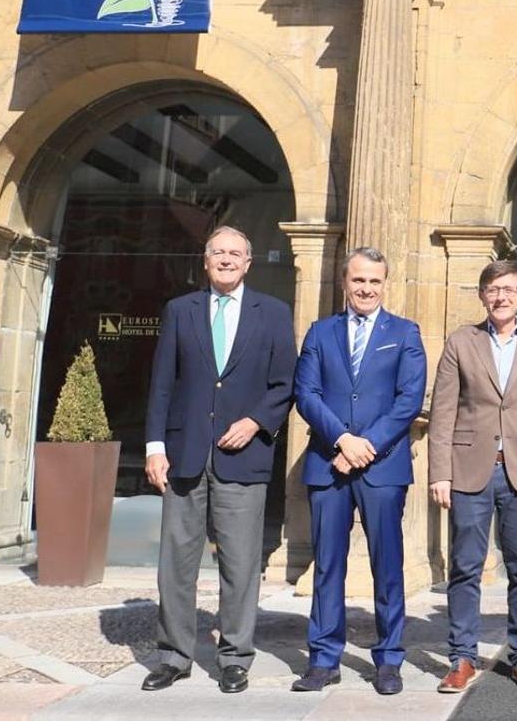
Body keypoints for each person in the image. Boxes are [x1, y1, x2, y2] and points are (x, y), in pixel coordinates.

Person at [142, 226, 296, 693]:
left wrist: (255, 422)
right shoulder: (180, 310)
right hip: (184, 455)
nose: (227, 259)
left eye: (235, 253)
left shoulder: (272, 313)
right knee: (176, 562)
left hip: (243, 456)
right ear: (205, 261)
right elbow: (162, 384)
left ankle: (234, 657)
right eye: (218, 253)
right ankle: (173, 655)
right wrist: (154, 447)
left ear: (249, 262)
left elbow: (284, 384)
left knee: (241, 563)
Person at [290, 247, 427, 694]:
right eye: (358, 281)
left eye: (375, 281)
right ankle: (323, 659)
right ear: (344, 283)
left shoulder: (405, 333)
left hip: (382, 467)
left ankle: (388, 660)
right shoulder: (320, 331)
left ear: (385, 284)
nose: (366, 289)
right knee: (328, 565)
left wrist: (365, 445)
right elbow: (306, 393)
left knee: (388, 564)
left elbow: (409, 400)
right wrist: (342, 440)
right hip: (329, 463)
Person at [427, 261, 517, 693]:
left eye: (509, 289)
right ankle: (462, 657)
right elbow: (443, 412)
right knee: (465, 568)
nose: (501, 297)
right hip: (471, 469)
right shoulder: (460, 342)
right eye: (493, 289)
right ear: (482, 295)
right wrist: (440, 473)